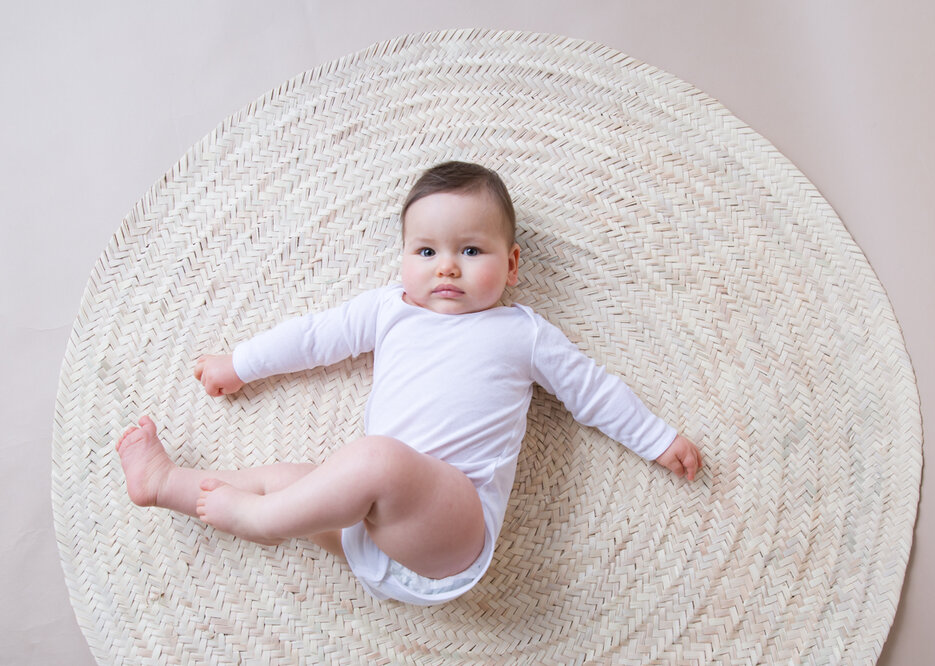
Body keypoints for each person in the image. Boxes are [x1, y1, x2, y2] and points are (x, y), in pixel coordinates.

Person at [116, 161, 703, 606]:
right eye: (427, 250)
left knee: (374, 462)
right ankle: (165, 484)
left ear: (513, 265)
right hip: (371, 540)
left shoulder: (522, 333)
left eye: (471, 250)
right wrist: (239, 363)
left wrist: (657, 438)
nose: (447, 266)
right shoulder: (388, 310)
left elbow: (592, 392)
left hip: (453, 534)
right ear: (403, 257)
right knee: (284, 479)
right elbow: (313, 338)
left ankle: (262, 524)